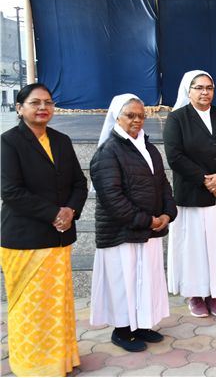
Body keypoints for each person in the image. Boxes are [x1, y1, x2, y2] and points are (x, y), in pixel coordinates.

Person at [0, 83, 88, 376]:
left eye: (48, 102)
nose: (43, 108)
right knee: (30, 307)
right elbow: (11, 192)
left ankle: (60, 360)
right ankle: (33, 367)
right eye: (35, 102)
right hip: (25, 239)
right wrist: (54, 214)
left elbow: (79, 183)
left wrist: (70, 210)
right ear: (19, 108)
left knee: (56, 305)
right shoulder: (8, 142)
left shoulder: (61, 140)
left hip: (58, 238)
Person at [90, 94, 177, 351]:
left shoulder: (148, 148)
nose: (137, 120)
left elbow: (163, 184)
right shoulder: (108, 151)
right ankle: (121, 331)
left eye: (141, 116)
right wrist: (146, 220)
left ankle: (140, 325)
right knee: (123, 282)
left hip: (149, 229)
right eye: (130, 115)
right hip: (121, 232)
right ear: (117, 118)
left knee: (144, 279)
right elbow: (112, 198)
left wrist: (167, 214)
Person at [164, 71, 216, 317]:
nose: (204, 92)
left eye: (209, 87)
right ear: (188, 91)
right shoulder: (177, 118)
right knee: (194, 247)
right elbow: (175, 156)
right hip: (192, 194)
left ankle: (214, 294)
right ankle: (195, 295)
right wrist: (206, 180)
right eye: (198, 88)